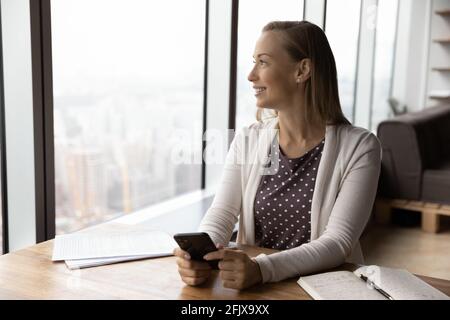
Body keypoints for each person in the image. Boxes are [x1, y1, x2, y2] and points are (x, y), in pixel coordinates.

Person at [174, 20, 381, 290]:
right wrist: (201, 253)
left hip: (322, 289)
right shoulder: (249, 138)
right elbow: (222, 214)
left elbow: (338, 242)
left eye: (263, 62)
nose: (250, 75)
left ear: (302, 70)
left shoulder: (360, 147)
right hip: (255, 287)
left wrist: (262, 269)